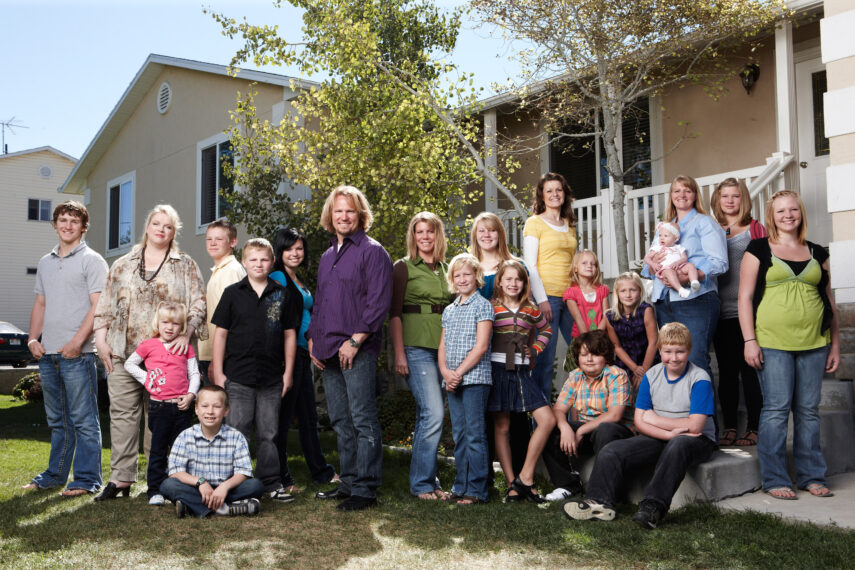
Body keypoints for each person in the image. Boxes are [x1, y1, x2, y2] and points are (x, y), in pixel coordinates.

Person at [93, 204, 207, 501]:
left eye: (168, 226)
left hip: (169, 357)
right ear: (147, 226)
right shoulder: (122, 264)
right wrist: (100, 339)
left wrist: (188, 331)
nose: (161, 229)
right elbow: (104, 305)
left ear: (174, 232)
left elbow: (199, 304)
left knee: (161, 420)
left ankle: (162, 479)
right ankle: (121, 479)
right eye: (156, 223)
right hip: (124, 352)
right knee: (122, 416)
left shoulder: (185, 264)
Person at [562, 323, 717, 529]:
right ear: (660, 351)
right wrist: (667, 432)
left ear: (689, 351)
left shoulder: (699, 379)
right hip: (661, 436)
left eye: (680, 352)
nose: (674, 357)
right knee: (611, 451)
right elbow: (639, 422)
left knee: (679, 444)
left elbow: (695, 426)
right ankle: (598, 503)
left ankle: (652, 508)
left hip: (696, 441)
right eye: (668, 351)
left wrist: (653, 419)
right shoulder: (651, 375)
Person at [738, 190, 840, 500]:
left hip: (814, 341)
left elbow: (830, 300)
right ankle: (775, 478)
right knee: (776, 410)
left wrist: (834, 344)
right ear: (773, 216)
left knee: (808, 411)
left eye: (793, 209)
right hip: (771, 341)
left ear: (801, 213)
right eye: (781, 210)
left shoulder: (818, 252)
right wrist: (749, 340)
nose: (788, 215)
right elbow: (743, 297)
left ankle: (811, 476)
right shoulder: (758, 248)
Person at [307, 185, 392, 511]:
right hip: (327, 350)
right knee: (341, 420)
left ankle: (366, 489)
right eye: (338, 210)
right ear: (331, 215)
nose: (344, 216)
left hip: (357, 349)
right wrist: (313, 339)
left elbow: (378, 303)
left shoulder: (373, 252)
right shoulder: (328, 255)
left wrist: (355, 341)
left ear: (360, 215)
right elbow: (322, 304)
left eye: (350, 211)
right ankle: (349, 483)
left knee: (362, 419)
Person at [22, 200, 108, 497]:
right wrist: (34, 339)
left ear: (83, 227)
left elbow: (99, 306)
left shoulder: (93, 260)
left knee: (84, 421)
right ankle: (55, 475)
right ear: (55, 224)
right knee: (58, 421)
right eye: (62, 219)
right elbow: (41, 303)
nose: (67, 225)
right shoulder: (46, 262)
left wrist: (77, 342)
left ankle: (86, 479)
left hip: (79, 355)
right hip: (49, 355)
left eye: (74, 221)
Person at [210, 237, 301, 503]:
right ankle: (232, 482)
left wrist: (288, 373)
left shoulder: (282, 295)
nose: (258, 264)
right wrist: (218, 371)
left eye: (264, 259)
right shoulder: (232, 294)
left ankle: (270, 483)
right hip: (238, 376)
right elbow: (221, 335)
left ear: (272, 262)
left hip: (272, 377)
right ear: (244, 262)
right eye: (253, 259)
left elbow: (289, 335)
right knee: (236, 429)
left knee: (268, 433)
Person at [389, 212, 453, 500]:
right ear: (413, 236)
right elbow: (394, 314)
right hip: (415, 348)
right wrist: (399, 353)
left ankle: (430, 480)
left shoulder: (447, 269)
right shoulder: (403, 267)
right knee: (434, 413)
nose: (424, 237)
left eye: (429, 232)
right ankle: (422, 485)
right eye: (419, 232)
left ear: (437, 235)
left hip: (443, 349)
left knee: (428, 416)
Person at [270, 227, 338, 493]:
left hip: (302, 356)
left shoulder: (297, 279)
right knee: (283, 419)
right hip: (287, 357)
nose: (295, 253)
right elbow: (278, 319)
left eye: (299, 248)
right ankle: (282, 477)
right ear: (280, 251)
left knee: (309, 417)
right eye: (289, 249)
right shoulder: (277, 277)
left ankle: (320, 471)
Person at [642, 175, 727, 379]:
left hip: (696, 300)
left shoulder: (705, 223)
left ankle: (703, 412)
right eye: (677, 190)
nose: (682, 195)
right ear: (671, 196)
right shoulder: (664, 227)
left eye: (687, 190)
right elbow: (648, 270)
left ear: (695, 195)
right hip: (664, 302)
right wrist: (656, 266)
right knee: (672, 364)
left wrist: (686, 278)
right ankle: (678, 412)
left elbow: (719, 262)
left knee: (696, 361)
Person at [470, 212, 530, 485]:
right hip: (478, 347)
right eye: (481, 231)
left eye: (492, 230)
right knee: (484, 410)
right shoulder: (470, 267)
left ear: (500, 234)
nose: (487, 235)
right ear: (475, 235)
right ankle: (484, 476)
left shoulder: (514, 266)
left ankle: (519, 475)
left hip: (510, 349)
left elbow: (528, 309)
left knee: (514, 411)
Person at [487, 260, 554, 503]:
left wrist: (535, 350)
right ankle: (511, 484)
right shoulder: (491, 307)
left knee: (546, 419)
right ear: (500, 282)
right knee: (502, 427)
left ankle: (525, 477)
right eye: (509, 279)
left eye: (518, 279)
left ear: (524, 283)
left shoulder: (531, 308)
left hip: (523, 371)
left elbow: (546, 330)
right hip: (497, 369)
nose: (513, 283)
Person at [542, 330, 633, 502]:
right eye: (584, 355)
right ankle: (568, 485)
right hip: (587, 433)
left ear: (605, 356)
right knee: (549, 425)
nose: (589, 359)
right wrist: (565, 428)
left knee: (605, 429)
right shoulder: (575, 376)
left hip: (616, 432)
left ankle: (606, 490)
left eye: (595, 354)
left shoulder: (616, 375)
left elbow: (614, 415)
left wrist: (580, 430)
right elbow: (558, 410)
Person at [124, 302, 200, 505]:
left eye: (175, 323)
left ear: (182, 326)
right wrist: (147, 379)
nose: (169, 327)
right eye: (165, 322)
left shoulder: (186, 347)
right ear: (157, 322)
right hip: (159, 407)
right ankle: (155, 491)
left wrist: (191, 395)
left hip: (181, 408)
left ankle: (180, 490)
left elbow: (193, 374)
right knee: (157, 450)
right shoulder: (149, 345)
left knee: (181, 451)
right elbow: (129, 364)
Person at [710, 178, 766, 447]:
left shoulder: (755, 230)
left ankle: (754, 427)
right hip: (720, 313)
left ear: (743, 199)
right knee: (728, 373)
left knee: (751, 371)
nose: (730, 201)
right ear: (718, 201)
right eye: (725, 196)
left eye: (735, 196)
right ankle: (730, 426)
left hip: (749, 312)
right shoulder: (711, 229)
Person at [439, 253, 494, 505]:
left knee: (474, 434)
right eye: (457, 275)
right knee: (459, 434)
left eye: (467, 274)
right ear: (452, 279)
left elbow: (481, 346)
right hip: (452, 380)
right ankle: (460, 485)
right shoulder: (449, 310)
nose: (462, 279)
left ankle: (477, 489)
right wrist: (445, 372)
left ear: (476, 277)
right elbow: (443, 347)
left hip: (474, 379)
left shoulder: (483, 305)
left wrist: (458, 373)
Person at [160, 385, 265, 518]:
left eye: (216, 406)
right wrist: (201, 482)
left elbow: (243, 472)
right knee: (167, 485)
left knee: (256, 486)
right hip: (196, 488)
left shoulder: (236, 437)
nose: (210, 411)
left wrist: (224, 487)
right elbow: (175, 472)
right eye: (205, 406)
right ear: (197, 409)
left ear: (226, 410)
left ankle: (192, 506)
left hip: (227, 489)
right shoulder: (185, 436)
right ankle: (224, 509)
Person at [524, 172, 578, 400]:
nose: (555, 194)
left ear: (564, 194)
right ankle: (541, 424)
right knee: (545, 361)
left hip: (571, 297)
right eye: (549, 191)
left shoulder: (569, 224)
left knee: (582, 350)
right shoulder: (534, 223)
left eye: (559, 190)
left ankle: (579, 410)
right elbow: (530, 265)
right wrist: (542, 299)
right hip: (547, 297)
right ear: (542, 196)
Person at [197, 219, 245, 385]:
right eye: (209, 239)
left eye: (219, 239)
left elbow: (234, 318)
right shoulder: (220, 271)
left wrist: (217, 362)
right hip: (212, 355)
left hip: (221, 357)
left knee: (220, 408)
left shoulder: (231, 271)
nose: (212, 243)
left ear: (233, 242)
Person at [605, 271, 659, 390]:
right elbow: (616, 347)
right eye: (623, 291)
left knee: (647, 390)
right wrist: (634, 368)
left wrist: (643, 371)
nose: (628, 295)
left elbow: (654, 343)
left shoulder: (646, 310)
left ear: (640, 292)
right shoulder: (610, 316)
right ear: (617, 294)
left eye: (633, 290)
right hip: (626, 363)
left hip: (649, 361)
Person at [643, 222, 700, 299]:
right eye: (660, 235)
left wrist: (678, 262)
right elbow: (646, 258)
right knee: (670, 273)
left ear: (676, 238)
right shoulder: (657, 248)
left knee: (690, 266)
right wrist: (653, 264)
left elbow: (684, 258)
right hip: (665, 269)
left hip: (679, 267)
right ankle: (680, 289)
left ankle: (694, 282)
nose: (661, 238)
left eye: (665, 236)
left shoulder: (679, 247)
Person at [563, 249, 610, 339]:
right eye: (584, 263)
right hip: (581, 338)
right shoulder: (571, 293)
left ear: (596, 269)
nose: (589, 266)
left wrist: (597, 336)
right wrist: (587, 341)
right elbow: (578, 318)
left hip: (601, 337)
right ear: (575, 268)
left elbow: (606, 316)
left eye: (593, 264)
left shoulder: (602, 290)